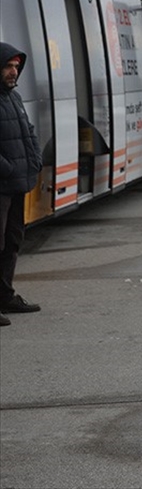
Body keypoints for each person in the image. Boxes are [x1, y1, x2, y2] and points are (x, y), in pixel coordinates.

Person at [0, 44, 42, 327]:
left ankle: (5, 297)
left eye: (16, 67)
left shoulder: (13, 98)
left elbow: (28, 132)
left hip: (16, 184)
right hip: (3, 183)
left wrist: (34, 160)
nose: (14, 72)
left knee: (12, 241)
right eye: (8, 66)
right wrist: (9, 168)